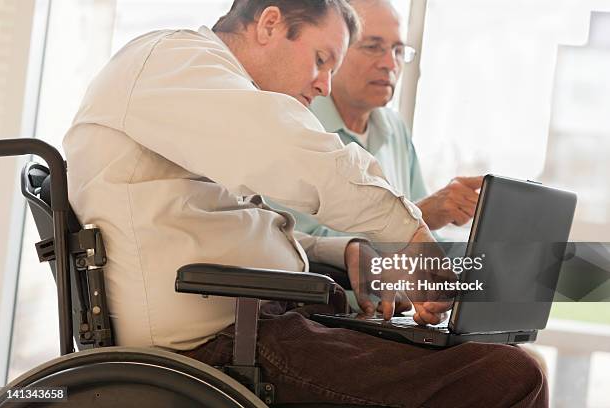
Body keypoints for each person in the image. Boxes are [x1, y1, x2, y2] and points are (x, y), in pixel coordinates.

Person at [63, 0, 547, 406]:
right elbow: (295, 155)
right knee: (509, 375)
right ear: (270, 24)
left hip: (256, 326)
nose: (324, 86)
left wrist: (344, 253)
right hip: (217, 348)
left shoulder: (200, 86)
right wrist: (413, 238)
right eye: (321, 59)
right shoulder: (171, 62)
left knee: (485, 357)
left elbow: (238, 230)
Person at [273, 0, 482, 240]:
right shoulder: (297, 120)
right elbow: (299, 241)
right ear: (335, 51)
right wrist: (418, 216)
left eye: (398, 51)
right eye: (373, 47)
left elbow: (426, 238)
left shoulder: (396, 129)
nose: (390, 64)